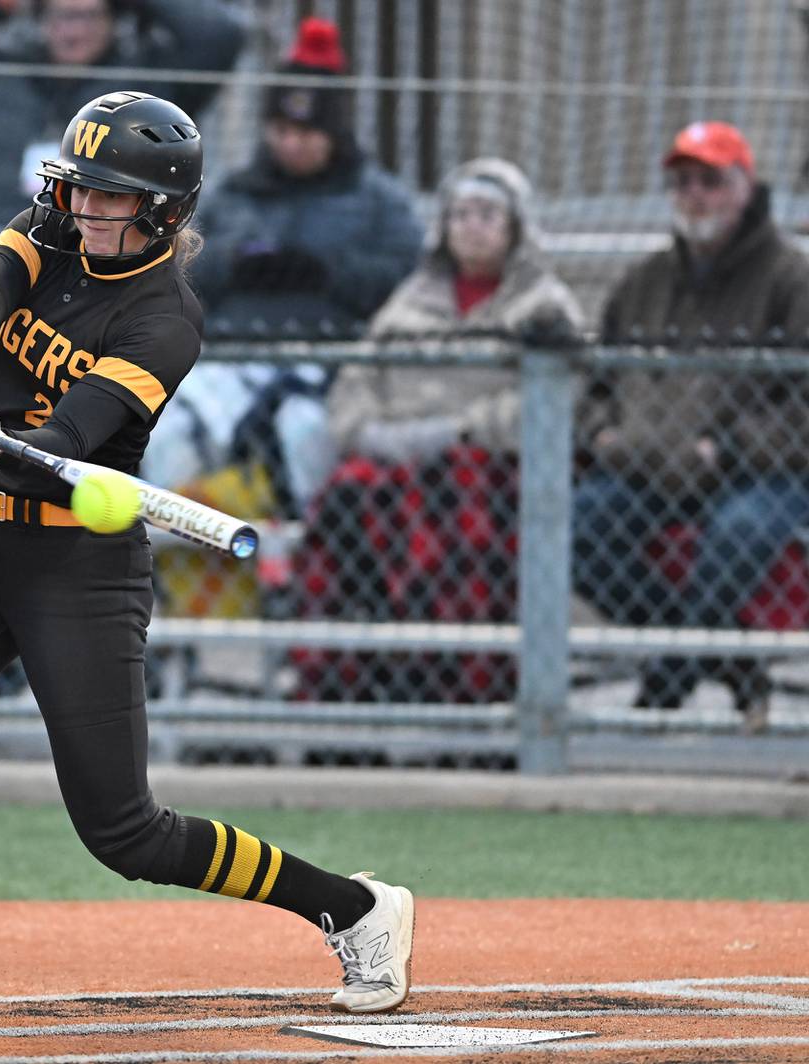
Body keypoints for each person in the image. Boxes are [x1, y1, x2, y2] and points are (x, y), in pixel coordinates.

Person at [0, 91, 414, 1028]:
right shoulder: (46, 229)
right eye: (79, 188)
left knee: (123, 833)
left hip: (79, 570)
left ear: (165, 209)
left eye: (111, 197)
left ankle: (353, 906)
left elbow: (76, 440)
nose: (85, 208)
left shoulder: (167, 319)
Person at [291, 158, 583, 703]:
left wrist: (457, 432)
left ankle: (460, 686)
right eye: (461, 214)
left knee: (454, 505)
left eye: (488, 215)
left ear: (516, 227)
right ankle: (338, 682)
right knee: (345, 499)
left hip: (482, 465)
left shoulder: (544, 304)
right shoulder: (409, 299)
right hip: (391, 459)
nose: (472, 226)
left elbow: (550, 399)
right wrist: (371, 435)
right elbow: (356, 378)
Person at [573, 121, 809, 732]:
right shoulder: (644, 281)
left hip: (762, 472)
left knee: (737, 534)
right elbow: (594, 384)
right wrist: (600, 434)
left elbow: (802, 408)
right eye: (682, 182)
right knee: (578, 527)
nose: (694, 195)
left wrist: (728, 448)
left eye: (711, 181)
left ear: (745, 187)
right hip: (648, 466)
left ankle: (666, 684)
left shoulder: (792, 277)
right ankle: (730, 668)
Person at [0, 0, 245, 229]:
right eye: (62, 16)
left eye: (89, 17)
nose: (74, 31)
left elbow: (220, 37)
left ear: (113, 19)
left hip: (105, 242)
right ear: (41, 19)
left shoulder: (148, 78)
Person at [190, 17, 422, 338]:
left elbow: (406, 278)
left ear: (334, 134)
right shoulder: (231, 192)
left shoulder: (380, 199)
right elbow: (181, 269)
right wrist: (234, 264)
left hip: (337, 358)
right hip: (231, 352)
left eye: (307, 132)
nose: (291, 144)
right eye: (281, 131)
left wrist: (329, 272)